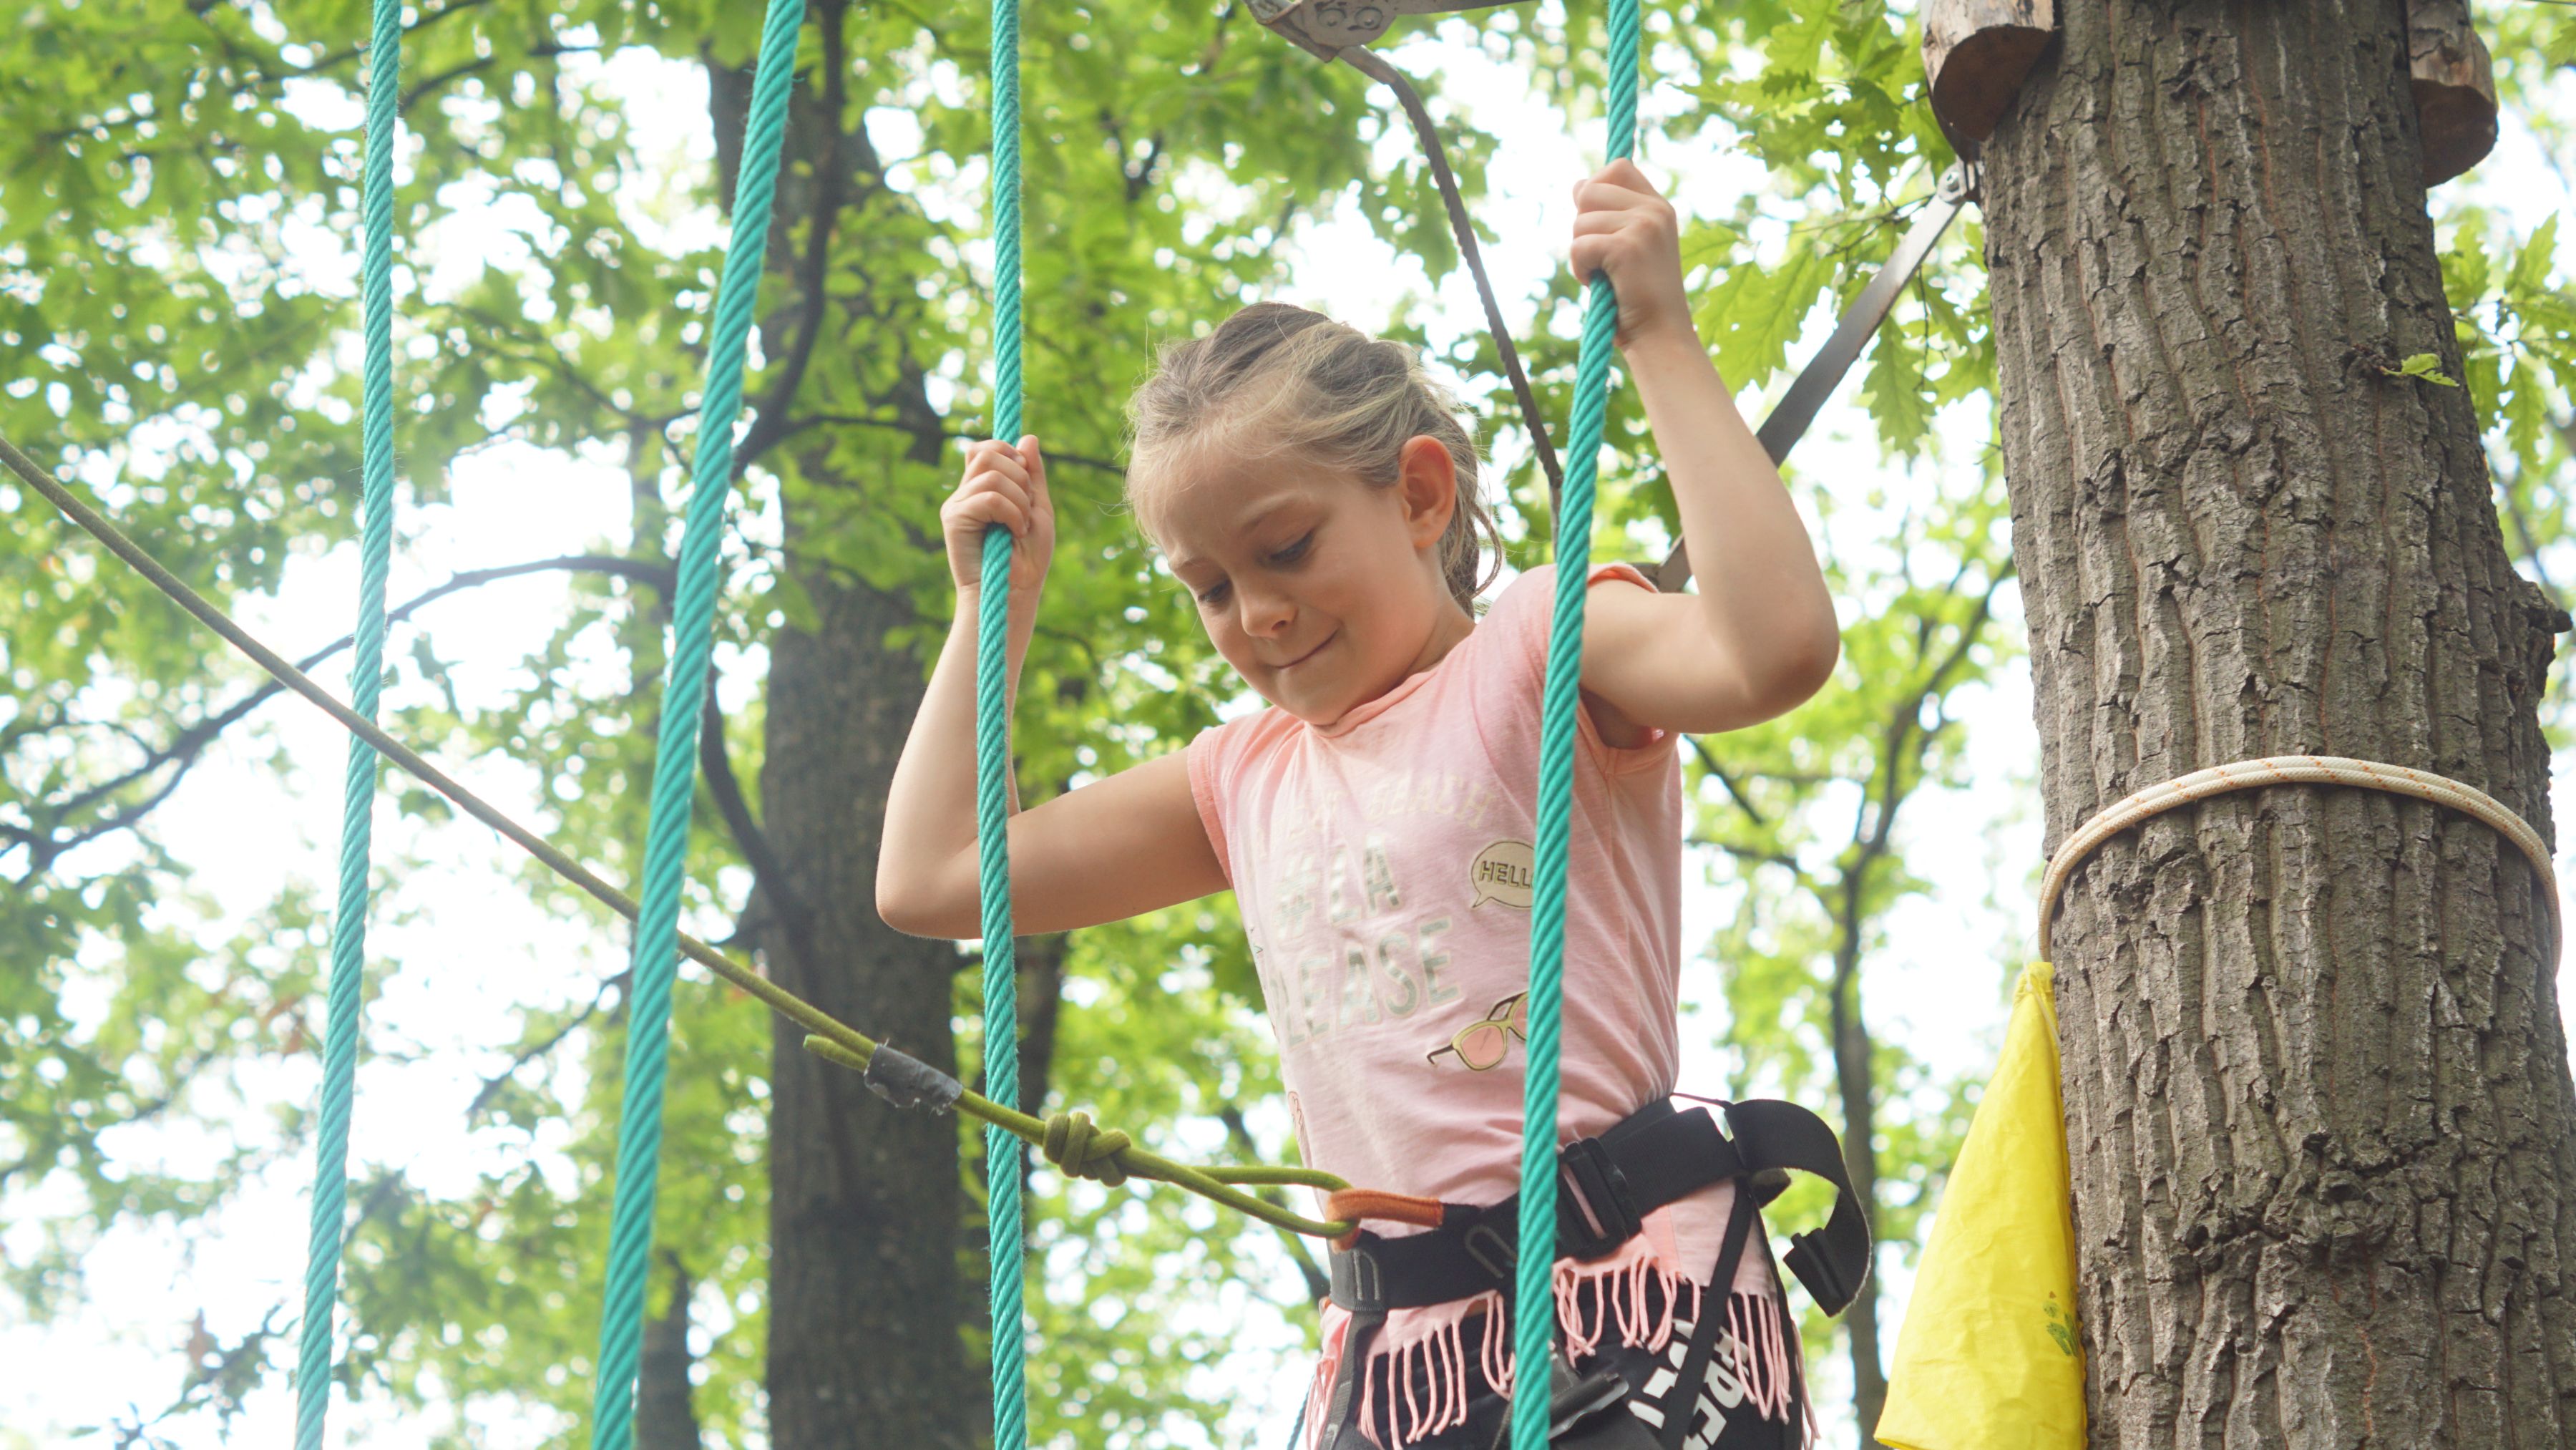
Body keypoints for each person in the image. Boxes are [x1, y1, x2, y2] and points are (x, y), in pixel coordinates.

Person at [877, 160, 1840, 1450]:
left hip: (1624, 1298)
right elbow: (937, 877)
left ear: (1421, 495)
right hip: (1405, 1356)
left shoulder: (1536, 650)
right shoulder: (1246, 777)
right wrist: (989, 616)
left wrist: (1658, 333)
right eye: (1212, 588)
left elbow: (1772, 651)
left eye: (1285, 549)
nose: (1260, 612)